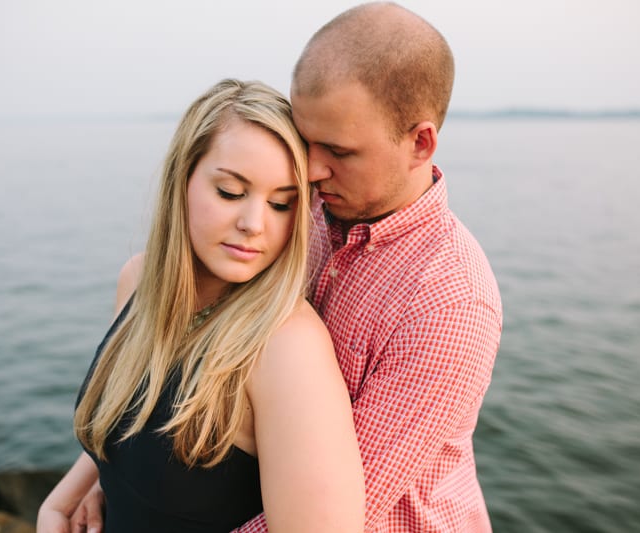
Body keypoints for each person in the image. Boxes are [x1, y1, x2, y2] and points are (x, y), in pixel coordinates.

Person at [75, 1, 503, 531]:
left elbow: (334, 513)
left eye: (338, 150)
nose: (312, 169)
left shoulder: (449, 301)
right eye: (306, 140)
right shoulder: (309, 204)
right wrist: (111, 476)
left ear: (420, 143)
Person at [36, 79, 365, 533]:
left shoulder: (286, 346)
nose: (254, 224)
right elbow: (131, 423)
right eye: (230, 192)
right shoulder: (137, 281)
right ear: (182, 179)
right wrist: (61, 501)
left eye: (281, 204)